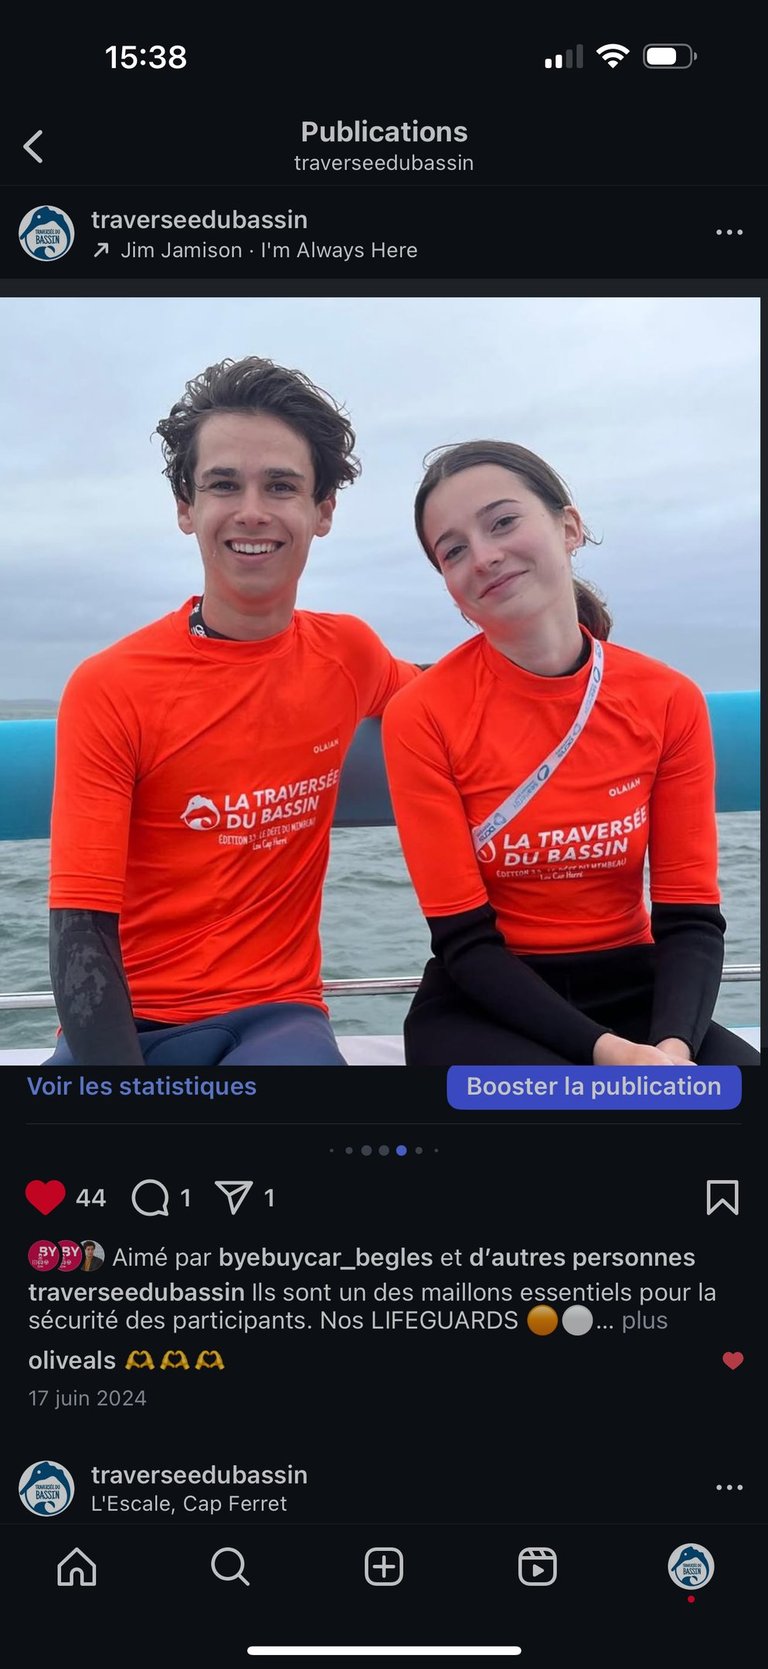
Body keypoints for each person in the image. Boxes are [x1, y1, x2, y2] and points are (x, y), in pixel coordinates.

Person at [47, 356, 419, 1066]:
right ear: (186, 507)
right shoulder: (110, 685)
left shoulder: (350, 654)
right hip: (123, 1018)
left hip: (277, 1016)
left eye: (281, 485)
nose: (252, 511)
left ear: (322, 511)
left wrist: (567, 637)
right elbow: (79, 929)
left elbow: (452, 694)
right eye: (223, 484)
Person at [381, 440, 760, 1066]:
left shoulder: (667, 699)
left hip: (637, 993)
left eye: (503, 522)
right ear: (450, 587)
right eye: (453, 551)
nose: (484, 556)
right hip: (484, 1003)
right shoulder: (421, 715)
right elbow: (464, 939)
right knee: (567, 1107)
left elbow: (690, 915)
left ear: (569, 527)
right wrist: (610, 1056)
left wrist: (672, 1046)